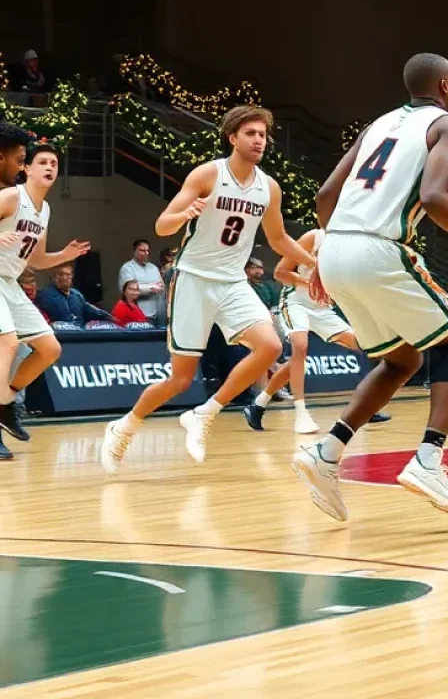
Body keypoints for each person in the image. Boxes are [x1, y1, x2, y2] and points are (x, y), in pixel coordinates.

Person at [292, 53, 448, 522]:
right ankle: (428, 460)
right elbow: (433, 197)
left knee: (402, 359)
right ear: (444, 84)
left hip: (336, 247)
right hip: (379, 247)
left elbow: (325, 196)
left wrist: (324, 258)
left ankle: (327, 451)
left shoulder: (377, 125)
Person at [99, 105, 316, 473]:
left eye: (263, 134)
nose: (258, 140)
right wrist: (185, 214)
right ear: (232, 137)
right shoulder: (208, 174)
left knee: (270, 346)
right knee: (181, 378)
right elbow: (163, 225)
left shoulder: (269, 188)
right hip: (194, 279)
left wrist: (315, 265)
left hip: (232, 281)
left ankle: (205, 413)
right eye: (251, 133)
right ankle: (124, 426)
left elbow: (278, 238)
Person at [0, 140, 90, 454]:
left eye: (54, 163)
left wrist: (63, 255)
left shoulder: (45, 209)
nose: (50, 167)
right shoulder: (12, 197)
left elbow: (36, 260)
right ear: (25, 168)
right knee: (8, 343)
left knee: (50, 349)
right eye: (42, 162)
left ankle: (5, 401)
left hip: (9, 282)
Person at [244, 228, 358, 435]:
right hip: (296, 300)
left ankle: (259, 403)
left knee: (360, 345)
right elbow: (280, 272)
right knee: (300, 346)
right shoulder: (314, 238)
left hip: (322, 307)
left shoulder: (353, 246)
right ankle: (301, 412)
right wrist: (308, 282)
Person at [36, 263, 110, 326]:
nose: (64, 278)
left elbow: (89, 309)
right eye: (61, 274)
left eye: (68, 274)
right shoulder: (44, 295)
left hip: (79, 335)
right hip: (58, 336)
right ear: (54, 277)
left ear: (71, 276)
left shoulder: (77, 295)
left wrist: (110, 318)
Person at [117, 239, 165, 323]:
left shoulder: (153, 268)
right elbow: (130, 291)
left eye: (147, 251)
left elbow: (162, 286)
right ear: (135, 251)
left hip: (158, 314)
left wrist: (144, 287)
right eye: (142, 250)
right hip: (138, 315)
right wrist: (152, 287)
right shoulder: (127, 268)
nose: (146, 253)